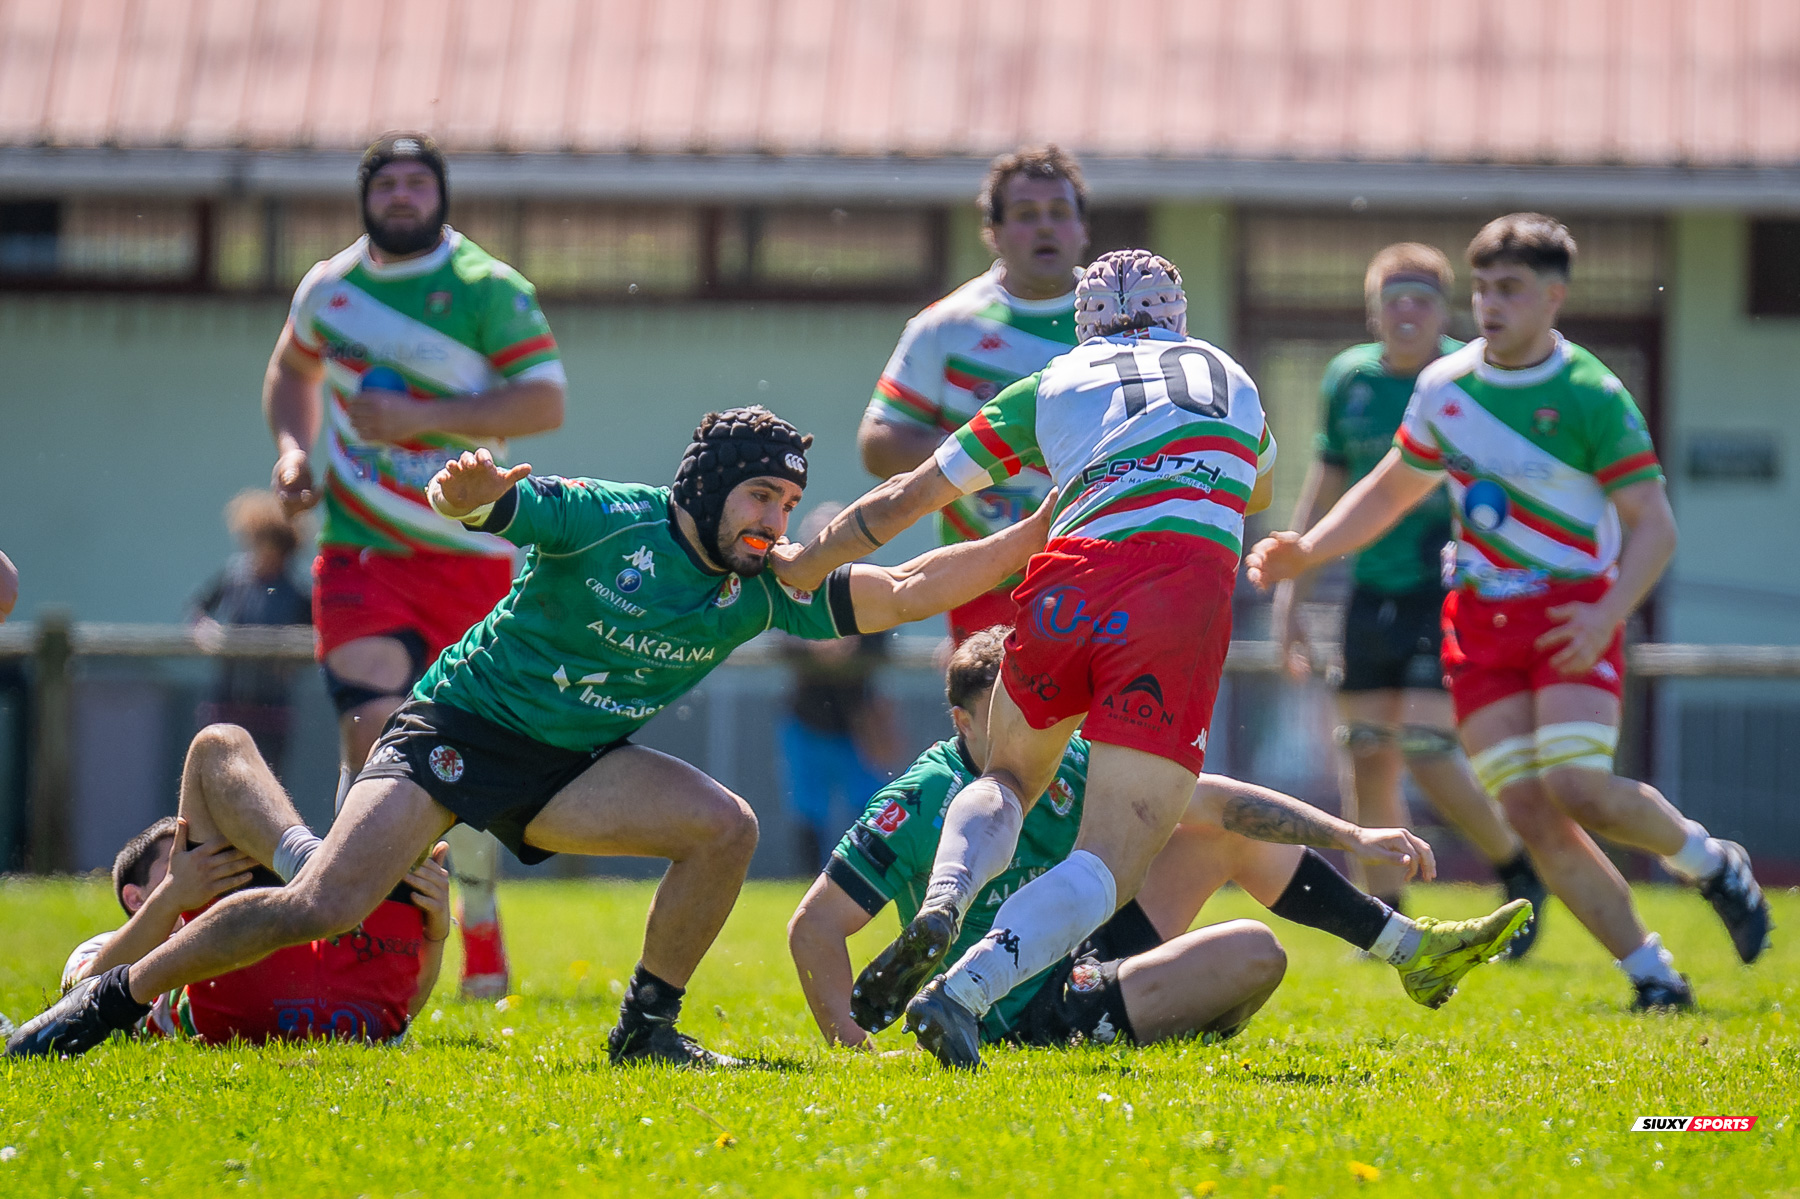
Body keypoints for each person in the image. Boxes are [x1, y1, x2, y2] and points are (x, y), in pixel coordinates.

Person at [8, 406, 1056, 1066]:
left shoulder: (764, 587)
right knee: (324, 901)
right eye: (759, 493)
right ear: (705, 485)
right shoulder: (611, 516)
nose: (774, 518)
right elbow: (503, 504)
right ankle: (108, 1000)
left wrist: (1035, 537)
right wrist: (469, 496)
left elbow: (912, 584)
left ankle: (647, 1029)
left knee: (724, 826)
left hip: (571, 766)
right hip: (457, 729)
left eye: (786, 500)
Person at [775, 249, 1305, 1069]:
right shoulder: (1227, 374)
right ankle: (966, 987)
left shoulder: (1053, 381)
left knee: (1008, 779)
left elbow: (906, 496)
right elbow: (1260, 488)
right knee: (1109, 858)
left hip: (1070, 575)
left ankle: (947, 897)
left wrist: (807, 562)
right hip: (1176, 593)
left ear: (1083, 322)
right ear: (1179, 317)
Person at [1247, 214, 1771, 1011]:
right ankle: (1654, 974)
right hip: (1480, 622)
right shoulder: (1446, 387)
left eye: (1511, 289)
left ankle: (1709, 861)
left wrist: (1607, 619)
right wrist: (1308, 551)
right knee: (1528, 808)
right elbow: (1392, 487)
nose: (1491, 304)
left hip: (1573, 614)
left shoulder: (1590, 393)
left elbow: (1655, 528)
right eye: (1484, 287)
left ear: (1553, 297)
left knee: (1576, 787)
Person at [789, 629, 1531, 1051]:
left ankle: (1407, 949)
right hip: (1027, 1005)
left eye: (1036, 715)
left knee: (1214, 836)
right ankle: (979, 991)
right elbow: (815, 925)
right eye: (1002, 719)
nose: (1029, 734)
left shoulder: (1065, 754)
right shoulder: (922, 795)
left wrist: (1351, 831)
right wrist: (851, 1046)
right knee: (1253, 954)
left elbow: (1216, 802)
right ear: (959, 722)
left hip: (1081, 946)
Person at [264, 132, 562, 1000]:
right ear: (366, 196)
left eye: (417, 182)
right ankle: (358, 925)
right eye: (386, 182)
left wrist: (423, 414)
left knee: (452, 760)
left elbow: (544, 400)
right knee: (375, 731)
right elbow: (290, 370)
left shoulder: (488, 290)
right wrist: (293, 451)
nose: (401, 195)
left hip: (468, 553)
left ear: (440, 196)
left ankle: (472, 908)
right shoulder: (330, 287)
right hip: (360, 549)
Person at [1272, 243, 1547, 950]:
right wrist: (1291, 597)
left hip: (1449, 585)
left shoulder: (1469, 377)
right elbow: (1325, 489)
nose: (1406, 308)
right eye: (1393, 295)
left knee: (1425, 745)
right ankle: (1385, 918)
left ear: (1443, 311)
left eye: (1422, 296)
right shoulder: (1348, 379)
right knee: (1365, 748)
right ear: (1372, 308)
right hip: (1371, 587)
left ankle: (1517, 866)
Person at [60, 723, 449, 1045]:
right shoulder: (101, 948)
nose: (193, 862)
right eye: (188, 856)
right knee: (217, 743)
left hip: (359, 1012)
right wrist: (172, 896)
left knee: (387, 739)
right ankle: (314, 866)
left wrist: (435, 928)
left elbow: (398, 1014)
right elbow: (79, 998)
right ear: (135, 896)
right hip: (230, 999)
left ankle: (310, 867)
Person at [859, 145, 1089, 642]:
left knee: (1088, 722)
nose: (1045, 227)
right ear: (995, 232)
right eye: (1027, 215)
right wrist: (989, 456)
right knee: (987, 720)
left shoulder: (1120, 325)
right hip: (982, 580)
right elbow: (878, 444)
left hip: (1097, 574)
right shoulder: (946, 327)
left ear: (1082, 227)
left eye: (1059, 213)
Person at [777, 504, 900, 870]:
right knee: (808, 808)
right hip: (806, 719)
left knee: (869, 807)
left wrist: (852, 647)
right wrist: (814, 648)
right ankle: (808, 884)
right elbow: (778, 636)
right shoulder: (793, 586)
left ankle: (860, 880)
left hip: (858, 724)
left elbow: (885, 639)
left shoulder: (868, 584)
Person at [188, 489, 313, 771]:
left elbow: (316, 633)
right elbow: (197, 610)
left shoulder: (296, 591)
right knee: (219, 771)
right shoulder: (234, 578)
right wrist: (207, 633)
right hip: (227, 698)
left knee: (267, 774)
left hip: (271, 705)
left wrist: (293, 656)